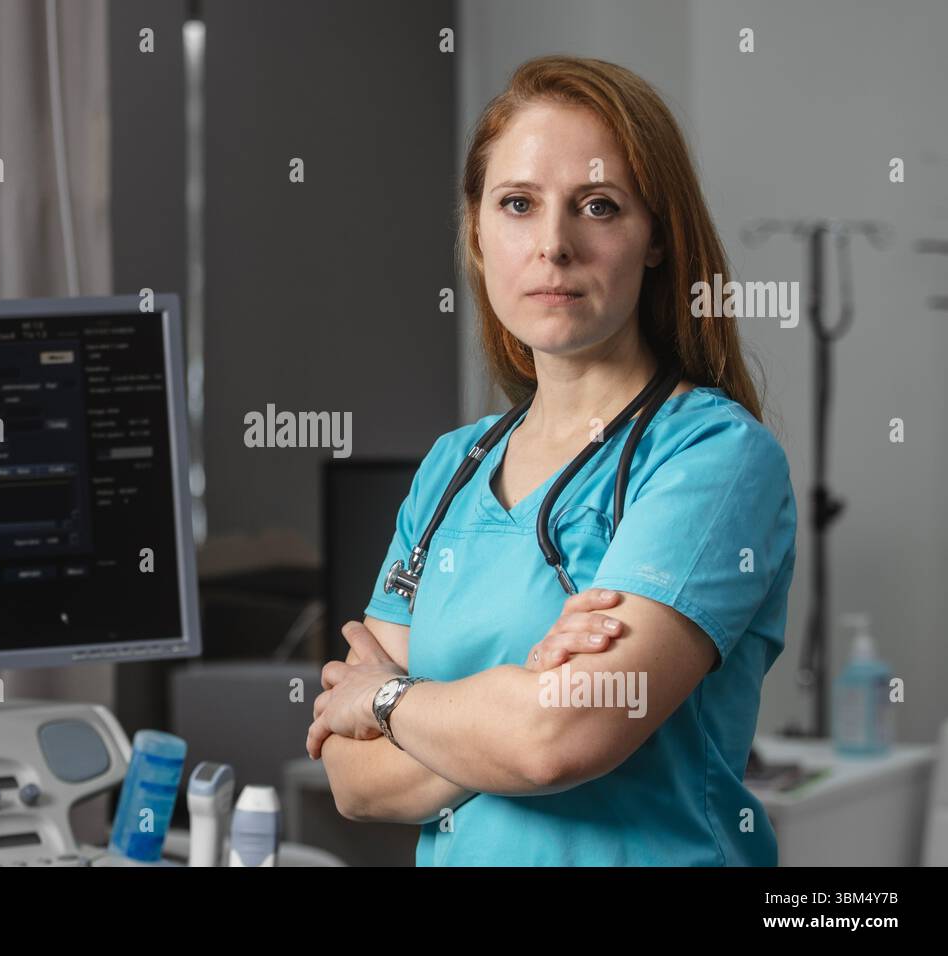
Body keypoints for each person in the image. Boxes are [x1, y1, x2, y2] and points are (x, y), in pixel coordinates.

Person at [308, 55, 797, 866]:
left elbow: (559, 740)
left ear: (657, 241)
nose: (554, 245)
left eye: (598, 206)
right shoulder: (451, 469)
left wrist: (390, 699)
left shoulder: (714, 457)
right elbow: (354, 782)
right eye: (518, 205)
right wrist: (510, 706)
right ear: (476, 230)